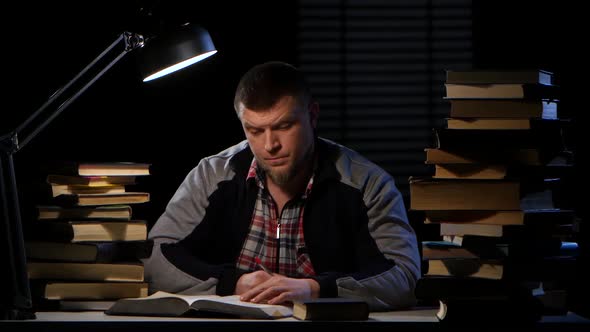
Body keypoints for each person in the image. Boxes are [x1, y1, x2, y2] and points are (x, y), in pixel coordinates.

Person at [143, 61, 421, 311]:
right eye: (255, 130)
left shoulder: (367, 183)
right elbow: (153, 259)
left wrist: (315, 289)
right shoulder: (211, 175)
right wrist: (233, 283)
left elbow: (406, 275)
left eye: (284, 126)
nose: (269, 146)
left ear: (312, 116)